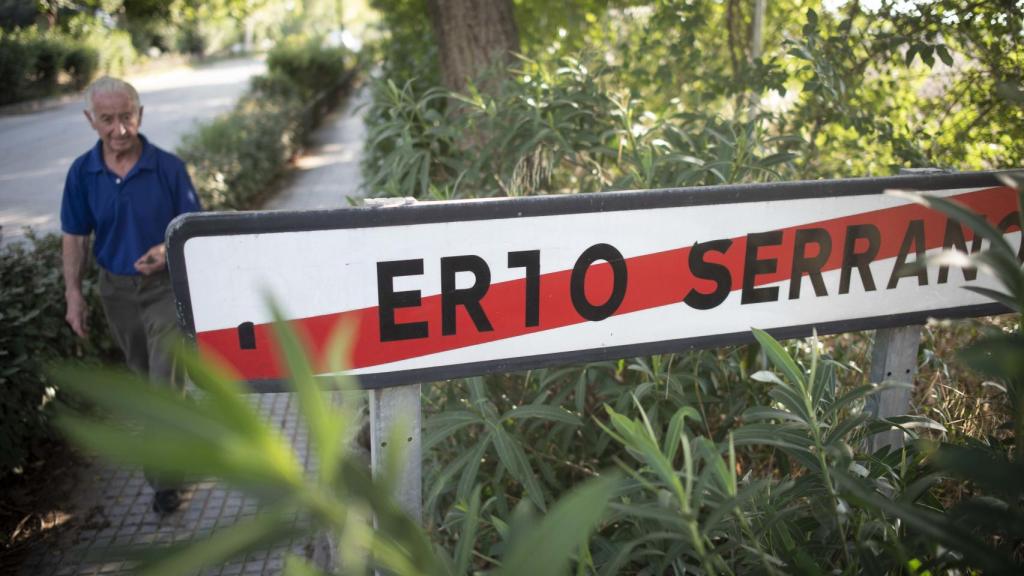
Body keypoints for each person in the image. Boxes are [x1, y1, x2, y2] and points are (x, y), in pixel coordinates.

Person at [61, 76, 202, 515]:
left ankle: (165, 481)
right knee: (148, 382)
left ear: (140, 115)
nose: (119, 128)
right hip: (116, 291)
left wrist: (165, 249)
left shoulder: (167, 168)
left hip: (164, 290)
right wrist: (73, 295)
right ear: (91, 120)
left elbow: (193, 228)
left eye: (127, 117)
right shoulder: (83, 173)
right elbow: (75, 237)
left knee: (163, 382)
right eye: (108, 119)